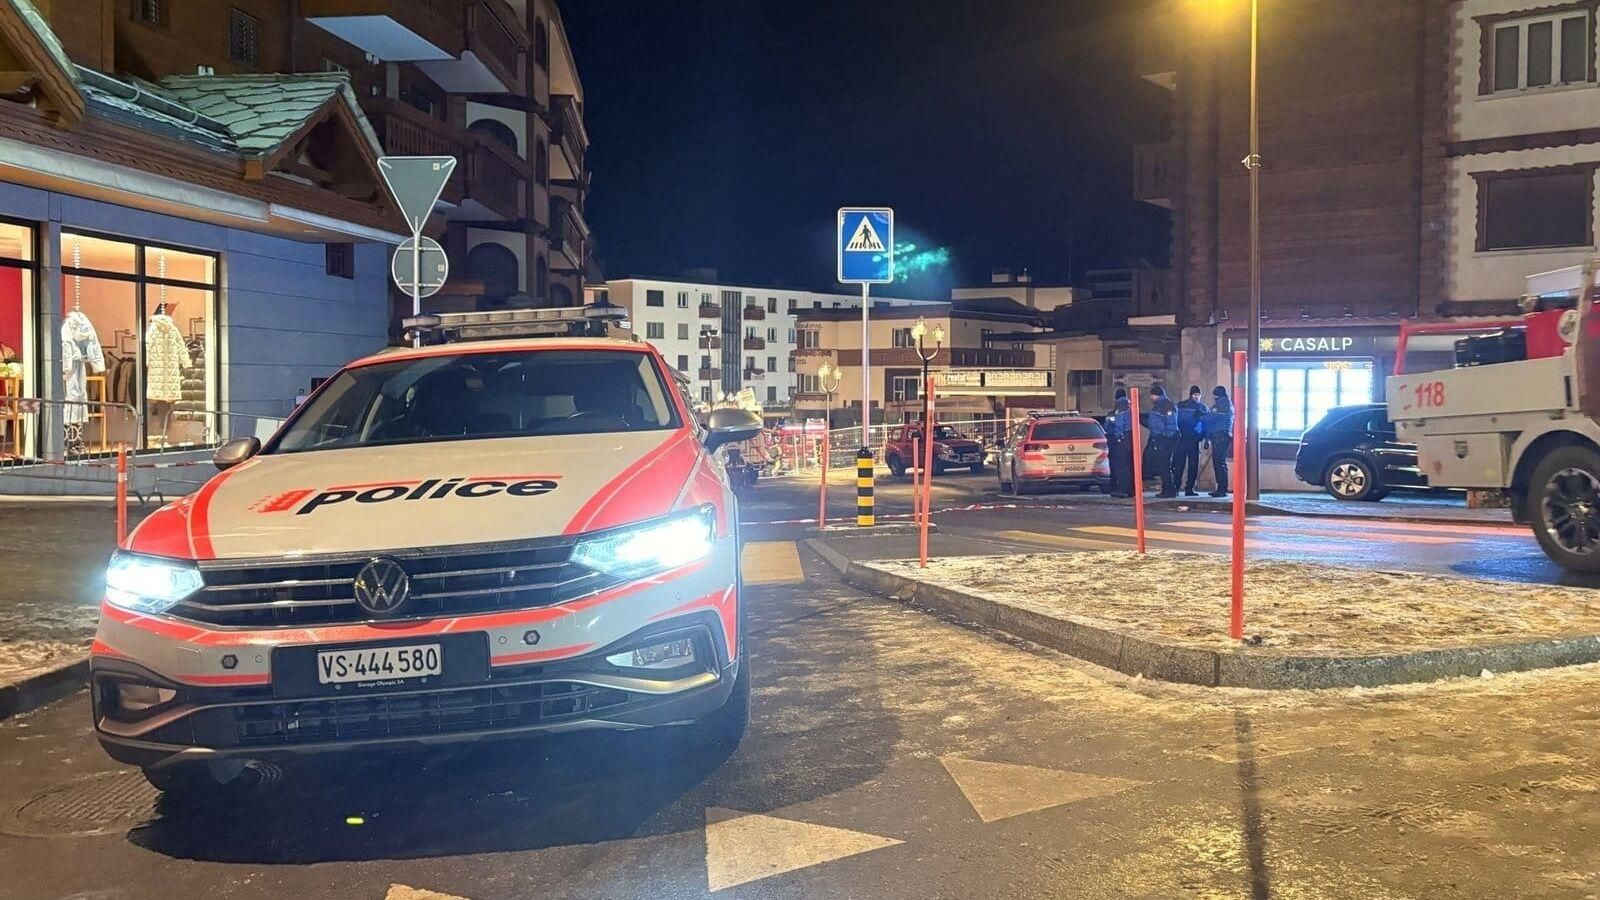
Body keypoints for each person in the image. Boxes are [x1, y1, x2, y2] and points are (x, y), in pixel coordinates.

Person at [1171, 385, 1207, 497]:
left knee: (1179, 465)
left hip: (1183, 439)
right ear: (1191, 395)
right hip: (1192, 440)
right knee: (1191, 466)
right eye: (1195, 394)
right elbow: (1206, 423)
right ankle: (1188, 489)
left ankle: (1176, 488)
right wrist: (1204, 438)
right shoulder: (1202, 407)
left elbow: (1174, 420)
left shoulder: (1180, 405)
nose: (1197, 397)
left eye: (1198, 394)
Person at [1146, 384, 1180, 497]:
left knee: (1164, 465)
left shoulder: (1167, 406)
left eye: (1153, 395)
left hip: (1166, 439)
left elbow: (1171, 425)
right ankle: (1168, 489)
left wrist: (1164, 435)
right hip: (1161, 438)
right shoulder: (1160, 406)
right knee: (1162, 465)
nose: (1151, 398)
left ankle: (1169, 490)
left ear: (1158, 395)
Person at [1204, 385, 1234, 497]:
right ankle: (1222, 488)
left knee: (1219, 462)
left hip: (1220, 436)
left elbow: (1211, 418)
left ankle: (1222, 489)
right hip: (1222, 436)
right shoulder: (1226, 403)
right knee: (1219, 462)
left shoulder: (1222, 404)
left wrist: (1202, 416)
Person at [1105, 389, 1133, 497]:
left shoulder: (1120, 408)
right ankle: (1131, 490)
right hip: (1131, 438)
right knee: (1130, 465)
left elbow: (1117, 425)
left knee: (1121, 465)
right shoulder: (1130, 406)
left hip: (1121, 439)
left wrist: (1118, 437)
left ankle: (1123, 489)